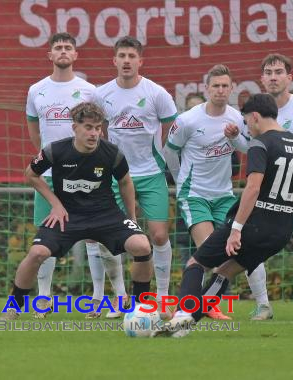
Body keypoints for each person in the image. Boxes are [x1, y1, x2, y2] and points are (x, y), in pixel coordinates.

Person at [155, 93, 293, 337]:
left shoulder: (260, 143)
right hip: (279, 233)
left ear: (255, 117)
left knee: (196, 263)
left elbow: (253, 188)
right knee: (224, 272)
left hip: (253, 225)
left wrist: (236, 228)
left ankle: (183, 315)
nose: (247, 128)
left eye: (247, 122)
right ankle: (187, 324)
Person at [0, 102, 153, 320]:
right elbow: (30, 174)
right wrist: (56, 204)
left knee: (142, 245)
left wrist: (132, 218)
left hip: (105, 215)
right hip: (68, 216)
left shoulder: (112, 153)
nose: (94, 133)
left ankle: (141, 309)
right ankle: (13, 307)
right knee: (37, 254)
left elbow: (125, 182)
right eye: (88, 127)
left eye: (98, 128)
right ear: (75, 128)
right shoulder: (55, 150)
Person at [25, 33, 128, 319]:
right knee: (45, 239)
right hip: (52, 178)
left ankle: (109, 297)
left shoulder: (89, 90)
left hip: (89, 177)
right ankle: (43, 300)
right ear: (50, 54)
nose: (63, 51)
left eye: (68, 47)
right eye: (57, 47)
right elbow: (34, 129)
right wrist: (50, 159)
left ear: (75, 54)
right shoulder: (36, 90)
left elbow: (99, 128)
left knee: (101, 239)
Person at [95, 36, 178, 318]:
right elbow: (92, 131)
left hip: (152, 174)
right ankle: (119, 298)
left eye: (132, 56)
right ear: (114, 60)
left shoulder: (156, 93)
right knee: (111, 239)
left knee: (158, 234)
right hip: (116, 178)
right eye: (122, 56)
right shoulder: (101, 94)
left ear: (140, 61)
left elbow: (175, 130)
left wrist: (171, 163)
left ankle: (164, 297)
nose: (127, 60)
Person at [243, 54, 293, 321]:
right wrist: (235, 139)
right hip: (265, 194)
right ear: (262, 78)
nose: (273, 76)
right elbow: (252, 151)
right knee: (251, 247)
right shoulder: (254, 111)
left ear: (290, 78)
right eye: (268, 72)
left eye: (279, 72)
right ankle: (263, 305)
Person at [165, 65, 250, 320]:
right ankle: (196, 306)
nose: (221, 90)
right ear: (206, 88)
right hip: (195, 194)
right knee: (208, 250)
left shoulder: (236, 118)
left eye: (225, 86)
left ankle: (198, 303)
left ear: (232, 88)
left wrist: (235, 138)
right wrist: (182, 182)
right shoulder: (188, 120)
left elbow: (247, 148)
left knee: (231, 252)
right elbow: (169, 151)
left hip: (224, 196)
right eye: (216, 86)